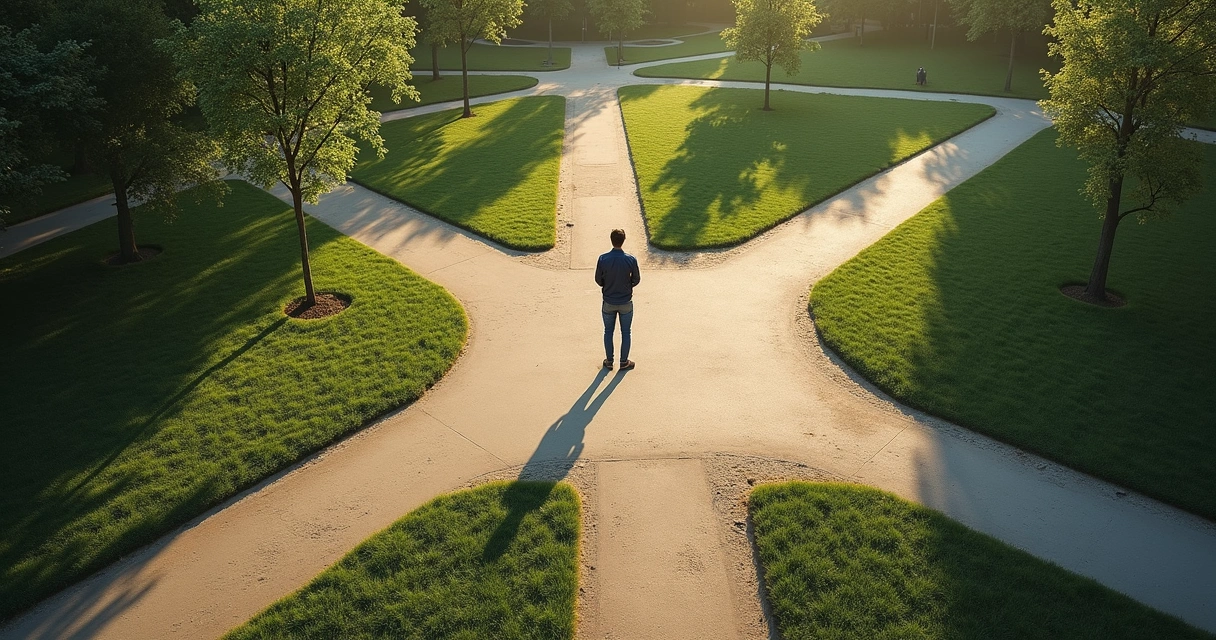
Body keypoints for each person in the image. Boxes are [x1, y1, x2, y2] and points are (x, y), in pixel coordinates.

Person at [594, 228, 640, 371]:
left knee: (608, 331)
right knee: (626, 332)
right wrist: (628, 286)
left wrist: (606, 285)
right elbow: (637, 279)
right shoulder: (630, 259)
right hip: (626, 301)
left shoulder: (603, 258)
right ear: (623, 240)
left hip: (608, 301)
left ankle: (609, 361)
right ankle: (624, 361)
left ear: (611, 240)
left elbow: (598, 279)